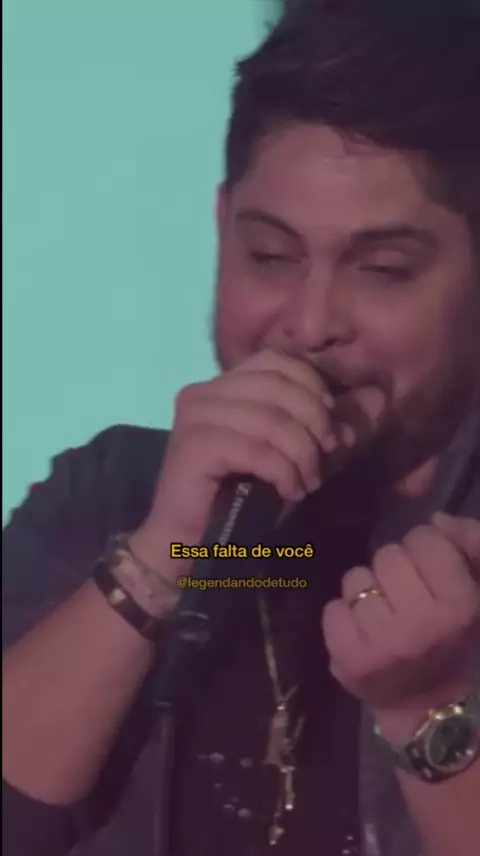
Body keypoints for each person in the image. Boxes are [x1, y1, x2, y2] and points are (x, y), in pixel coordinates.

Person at [3, 2, 480, 855]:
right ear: (222, 227)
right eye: (271, 256)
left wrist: (429, 708)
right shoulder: (110, 495)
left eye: (383, 269)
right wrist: (159, 560)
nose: (310, 322)